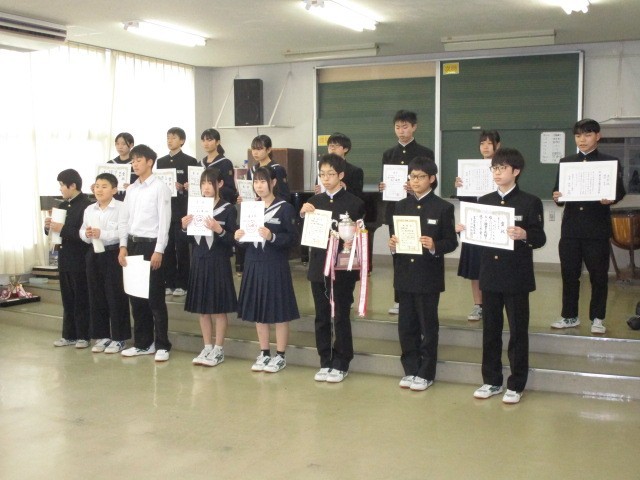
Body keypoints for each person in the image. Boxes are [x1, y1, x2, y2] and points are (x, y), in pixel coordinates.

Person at [460, 148, 546, 404]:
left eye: (502, 168)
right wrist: (464, 230)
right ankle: (491, 380)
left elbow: (540, 237)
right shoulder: (484, 200)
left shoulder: (530, 201)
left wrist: (525, 234)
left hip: (516, 276)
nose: (497, 173)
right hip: (490, 274)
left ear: (516, 171)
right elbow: (477, 235)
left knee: (518, 331)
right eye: (494, 168)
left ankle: (516, 384)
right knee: (490, 330)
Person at [550, 119, 625, 334]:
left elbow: (620, 191)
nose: (582, 140)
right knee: (569, 275)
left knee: (598, 276)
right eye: (578, 136)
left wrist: (611, 198)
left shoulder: (609, 161)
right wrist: (557, 197)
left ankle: (598, 318)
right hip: (571, 229)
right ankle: (569, 316)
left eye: (587, 135)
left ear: (597, 136)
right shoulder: (567, 162)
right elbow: (558, 193)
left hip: (596, 229)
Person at [388, 157, 458, 391]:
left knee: (428, 326)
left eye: (420, 177)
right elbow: (395, 237)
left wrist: (434, 245)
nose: (415, 181)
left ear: (432, 178)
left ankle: (426, 373)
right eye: (412, 177)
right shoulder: (400, 206)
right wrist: (393, 245)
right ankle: (410, 369)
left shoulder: (443, 207)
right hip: (404, 274)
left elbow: (451, 242)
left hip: (428, 275)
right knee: (406, 325)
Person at [300, 153, 365, 383]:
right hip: (319, 267)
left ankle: (342, 362)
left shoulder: (354, 203)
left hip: (342, 268)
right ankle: (325, 361)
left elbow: (360, 238)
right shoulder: (313, 202)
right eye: (322, 174)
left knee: (341, 316)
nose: (326, 179)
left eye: (330, 174)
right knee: (321, 316)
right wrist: (303, 215)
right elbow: (304, 236)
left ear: (341, 175)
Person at [234, 166, 299, 373]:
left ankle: (280, 355)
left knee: (279, 312)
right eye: (256, 182)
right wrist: (238, 237)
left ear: (273, 182)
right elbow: (244, 241)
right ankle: (264, 352)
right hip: (253, 263)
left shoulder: (285, 208)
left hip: (275, 264)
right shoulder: (250, 208)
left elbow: (293, 239)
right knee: (258, 310)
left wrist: (272, 237)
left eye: (263, 181)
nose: (259, 186)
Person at [118, 144, 172, 362]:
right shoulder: (131, 189)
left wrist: (159, 250)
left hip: (151, 246)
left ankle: (162, 345)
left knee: (155, 299)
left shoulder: (160, 187)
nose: (134, 164)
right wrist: (123, 246)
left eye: (138, 160)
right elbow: (124, 219)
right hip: (133, 245)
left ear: (150, 162)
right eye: (133, 161)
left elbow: (164, 222)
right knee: (136, 297)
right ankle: (143, 343)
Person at [378, 110, 434, 315]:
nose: (401, 131)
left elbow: (433, 183)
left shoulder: (425, 152)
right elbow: (385, 180)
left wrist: (416, 187)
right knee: (398, 254)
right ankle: (399, 299)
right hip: (396, 210)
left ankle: (420, 295)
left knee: (420, 254)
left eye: (405, 127)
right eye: (397, 127)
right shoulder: (388, 154)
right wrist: (383, 186)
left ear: (414, 127)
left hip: (420, 210)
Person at [182, 169, 238, 367]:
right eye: (203, 183)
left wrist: (219, 230)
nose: (206, 187)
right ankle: (207, 346)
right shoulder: (195, 207)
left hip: (218, 260)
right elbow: (187, 240)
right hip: (199, 259)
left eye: (209, 183)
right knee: (202, 309)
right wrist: (184, 227)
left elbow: (234, 239)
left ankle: (219, 349)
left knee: (219, 308)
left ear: (219, 184)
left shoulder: (228, 209)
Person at [79, 172, 131, 353]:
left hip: (113, 253)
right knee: (96, 295)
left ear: (114, 190)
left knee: (115, 296)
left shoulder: (121, 207)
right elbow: (82, 231)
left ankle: (119, 337)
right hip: (93, 253)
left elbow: (123, 232)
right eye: (97, 186)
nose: (99, 190)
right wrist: (86, 234)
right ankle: (102, 335)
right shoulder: (89, 209)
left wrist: (103, 234)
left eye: (104, 186)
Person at [454, 130, 501, 321]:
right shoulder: (470, 169)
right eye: (482, 143)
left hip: (495, 222)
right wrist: (460, 187)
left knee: (494, 265)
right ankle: (478, 304)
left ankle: (492, 304)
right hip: (474, 222)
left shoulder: (503, 168)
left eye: (489, 143)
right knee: (475, 265)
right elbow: (466, 200)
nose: (486, 147)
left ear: (498, 145)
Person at [46, 169, 92, 348]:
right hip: (64, 258)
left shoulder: (87, 205)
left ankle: (83, 335)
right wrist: (48, 227)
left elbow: (84, 234)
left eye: (62, 185)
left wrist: (61, 228)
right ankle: (68, 335)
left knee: (81, 298)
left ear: (72, 185)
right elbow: (56, 233)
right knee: (67, 298)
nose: (60, 189)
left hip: (79, 258)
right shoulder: (63, 206)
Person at [236, 134, 290, 275]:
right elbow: (252, 193)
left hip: (273, 213)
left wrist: (269, 203)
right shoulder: (251, 170)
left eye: (259, 149)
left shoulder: (277, 169)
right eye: (253, 149)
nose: (255, 152)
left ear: (269, 149)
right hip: (255, 213)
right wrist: (245, 200)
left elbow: (284, 194)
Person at [156, 127, 199, 297]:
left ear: (182, 141)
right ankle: (169, 282)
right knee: (166, 247)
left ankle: (183, 283)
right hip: (165, 209)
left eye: (173, 138)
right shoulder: (161, 161)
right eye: (168, 137)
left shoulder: (190, 160)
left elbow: (196, 186)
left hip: (182, 210)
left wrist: (184, 187)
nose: (170, 141)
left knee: (181, 248)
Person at [314, 132, 363, 198]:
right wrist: (318, 192)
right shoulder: (323, 169)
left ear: (345, 149)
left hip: (345, 203)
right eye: (330, 145)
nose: (332, 148)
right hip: (325, 203)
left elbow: (358, 196)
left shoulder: (355, 171)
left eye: (336, 145)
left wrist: (345, 188)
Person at [200, 128, 238, 203]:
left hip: (220, 203)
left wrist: (214, 189)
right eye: (203, 140)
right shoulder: (200, 163)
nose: (205, 143)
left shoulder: (225, 163)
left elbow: (230, 189)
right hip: (202, 204)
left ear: (217, 142)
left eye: (209, 140)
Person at [108, 132, 137, 201]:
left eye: (123, 144)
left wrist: (133, 187)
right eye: (117, 144)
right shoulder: (110, 164)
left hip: (131, 200)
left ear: (131, 145)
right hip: (112, 201)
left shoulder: (136, 164)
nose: (120, 147)